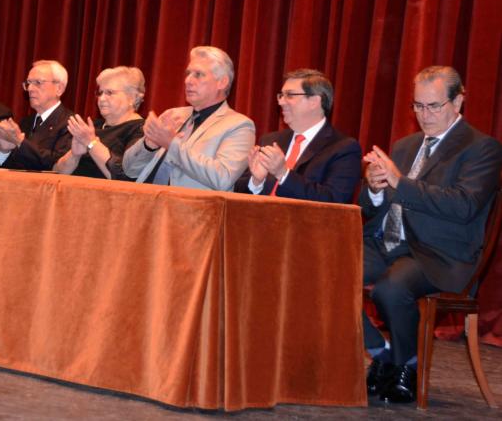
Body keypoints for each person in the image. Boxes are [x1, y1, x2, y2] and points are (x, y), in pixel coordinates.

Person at [361, 66, 502, 403]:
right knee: (327, 270)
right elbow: (373, 206)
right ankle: (383, 352)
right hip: (387, 244)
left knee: (390, 288)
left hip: (439, 252)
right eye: (418, 106)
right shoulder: (405, 145)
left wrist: (399, 182)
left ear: (458, 101)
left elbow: (463, 206)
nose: (424, 115)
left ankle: (407, 365)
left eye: (433, 106)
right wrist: (375, 188)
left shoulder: (481, 148)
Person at [122, 46, 255, 191]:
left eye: (198, 74)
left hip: (190, 210)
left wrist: (171, 144)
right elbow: (130, 170)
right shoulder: (173, 115)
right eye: (188, 74)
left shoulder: (239, 125)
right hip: (142, 202)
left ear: (222, 82)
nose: (188, 81)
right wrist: (149, 144)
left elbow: (222, 178)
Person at [233, 69, 361, 203]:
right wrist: (256, 182)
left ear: (314, 101)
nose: (281, 102)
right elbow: (238, 193)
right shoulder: (271, 140)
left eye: (290, 95)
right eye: (281, 95)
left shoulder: (343, 148)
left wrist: (283, 174)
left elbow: (333, 201)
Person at [53, 66, 145, 180]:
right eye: (100, 93)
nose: (101, 99)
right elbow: (56, 173)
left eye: (109, 93)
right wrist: (74, 155)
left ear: (132, 97)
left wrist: (91, 143)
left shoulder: (140, 130)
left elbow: (124, 176)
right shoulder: (92, 127)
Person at [0, 60, 73, 171]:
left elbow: (57, 163)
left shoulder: (71, 123)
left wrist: (20, 141)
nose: (30, 89)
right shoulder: (25, 122)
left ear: (59, 89)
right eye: (28, 83)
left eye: (38, 83)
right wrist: (5, 150)